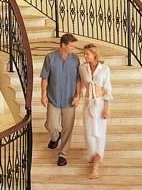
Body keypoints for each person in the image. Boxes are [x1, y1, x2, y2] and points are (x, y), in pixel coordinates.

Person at [40, 33, 80, 166]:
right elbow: (45, 77)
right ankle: (55, 137)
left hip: (70, 100)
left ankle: (63, 154)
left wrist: (78, 95)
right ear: (62, 45)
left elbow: (78, 80)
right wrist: (43, 95)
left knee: (68, 128)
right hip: (53, 98)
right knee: (50, 124)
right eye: (71, 45)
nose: (73, 48)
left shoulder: (75, 59)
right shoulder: (50, 58)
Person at [77, 43, 112, 180]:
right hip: (88, 104)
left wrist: (107, 109)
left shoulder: (105, 70)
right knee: (89, 133)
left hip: (100, 104)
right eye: (84, 54)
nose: (85, 56)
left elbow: (108, 89)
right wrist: (78, 95)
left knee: (100, 134)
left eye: (87, 54)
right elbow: (80, 84)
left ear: (94, 54)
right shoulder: (82, 69)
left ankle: (95, 167)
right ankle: (93, 154)